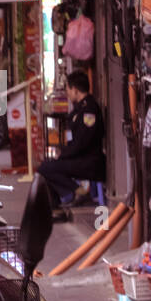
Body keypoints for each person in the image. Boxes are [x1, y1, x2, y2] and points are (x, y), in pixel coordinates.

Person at [38, 71, 105, 214]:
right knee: (46, 166)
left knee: (46, 168)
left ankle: (76, 191)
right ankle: (58, 204)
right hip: (81, 158)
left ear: (75, 89)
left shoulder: (89, 109)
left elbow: (82, 143)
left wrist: (63, 155)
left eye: (67, 89)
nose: (67, 93)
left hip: (90, 162)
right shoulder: (80, 107)